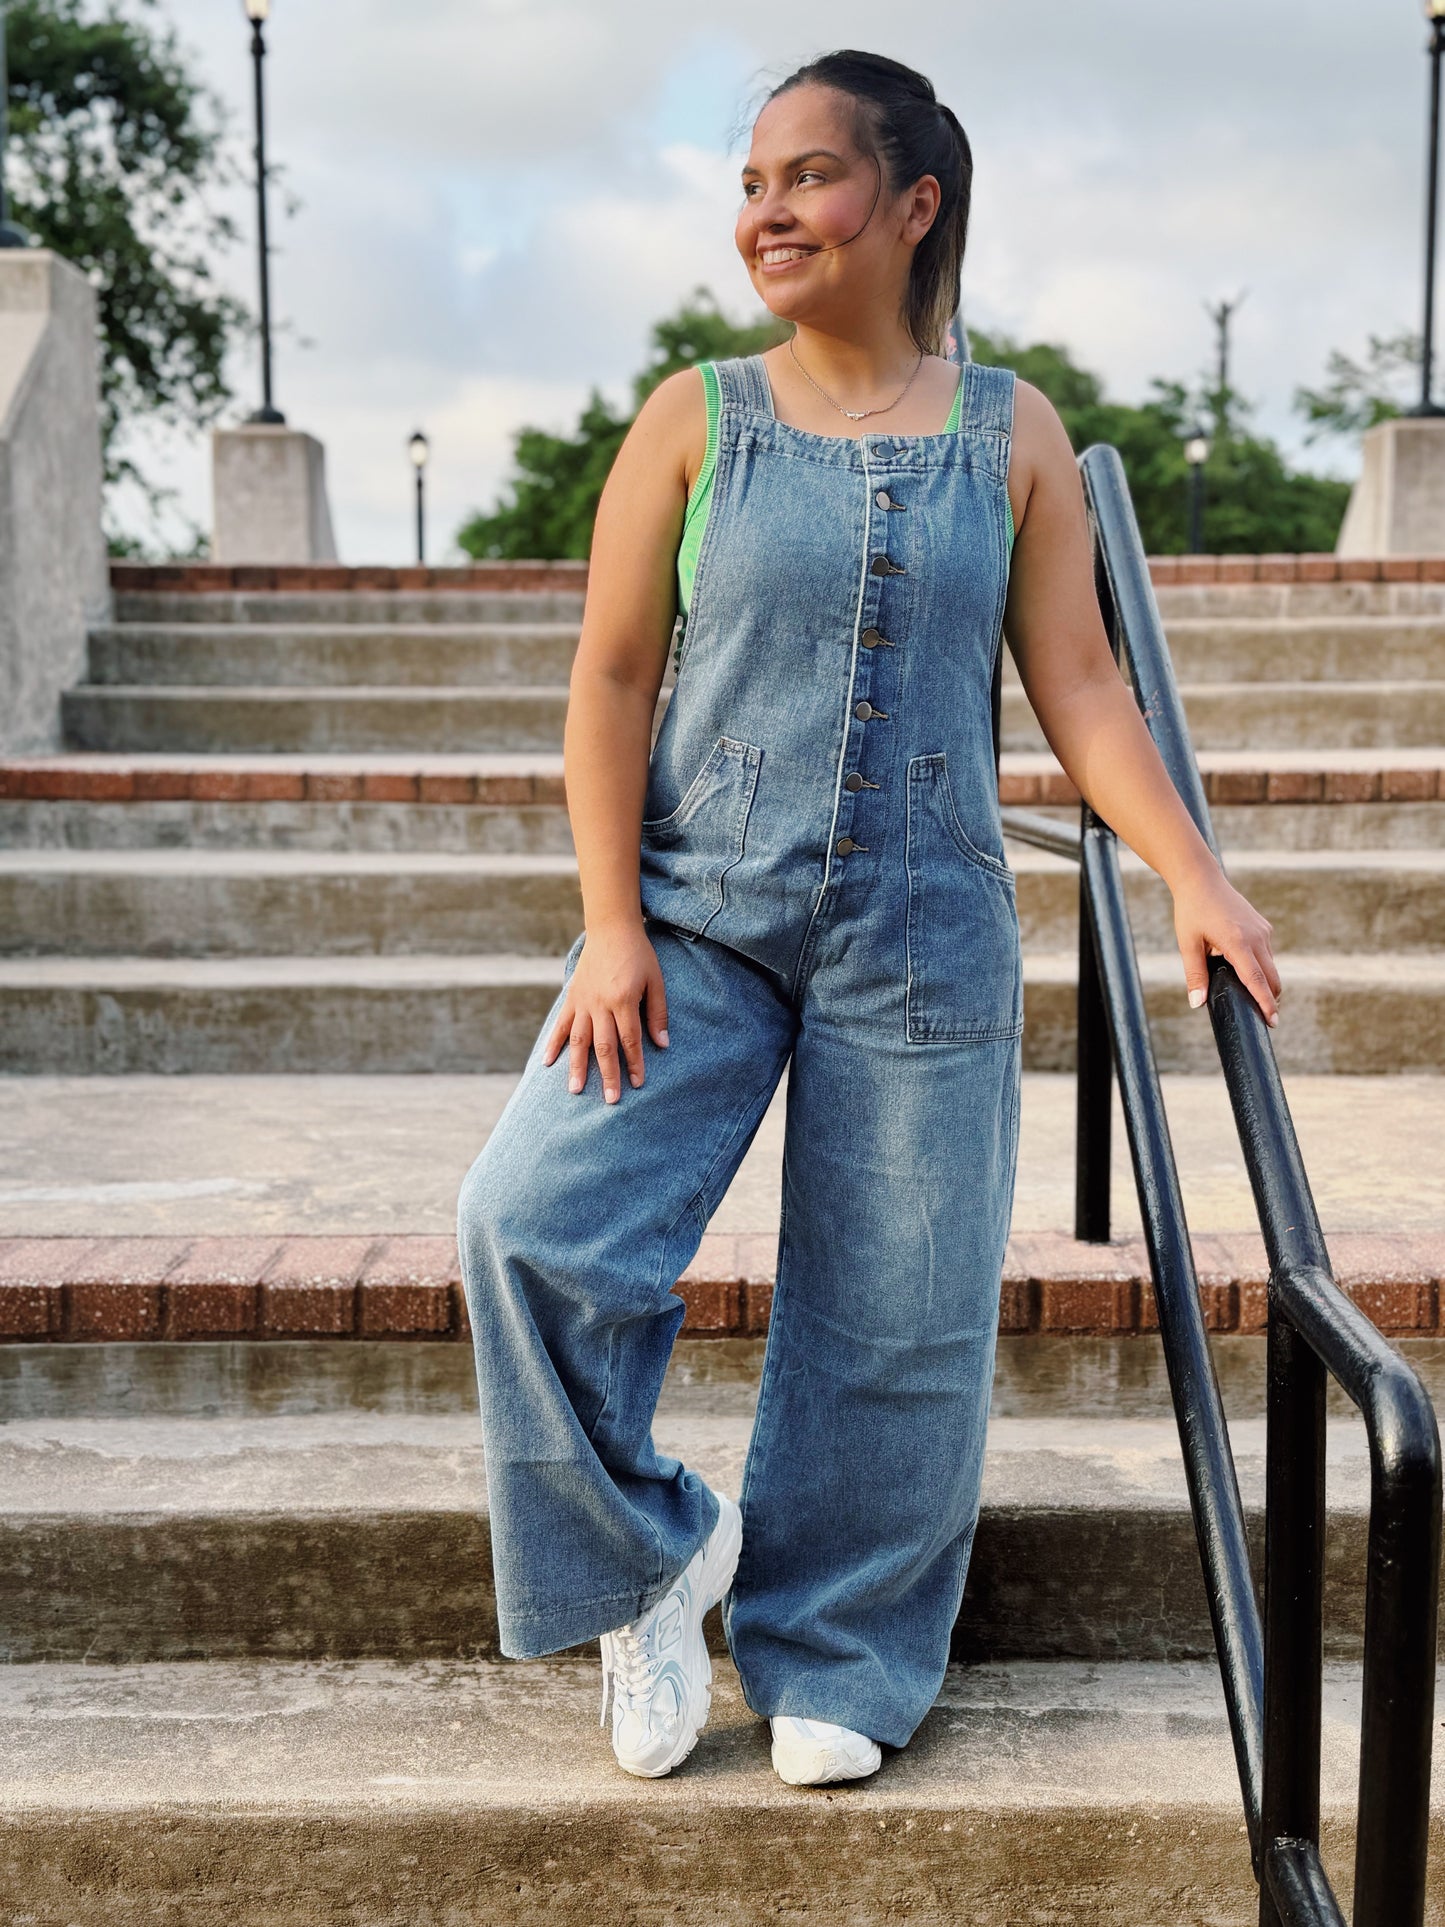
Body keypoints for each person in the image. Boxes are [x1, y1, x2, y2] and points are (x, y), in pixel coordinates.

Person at [456, 47, 1281, 1791]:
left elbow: (1076, 683)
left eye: (810, 177)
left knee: (897, 1311)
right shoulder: (693, 418)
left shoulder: (1014, 433)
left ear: (910, 206)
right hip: (693, 912)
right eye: (752, 181)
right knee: (527, 1222)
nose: (768, 211)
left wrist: (1188, 874)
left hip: (925, 923)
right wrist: (608, 923)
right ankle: (650, 1554)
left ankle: (838, 1642)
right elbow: (610, 680)